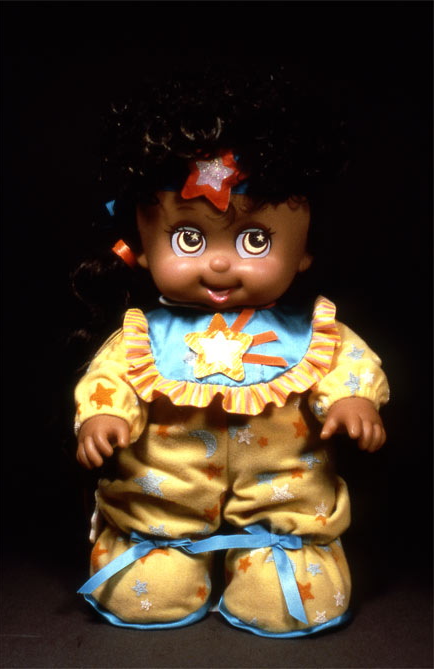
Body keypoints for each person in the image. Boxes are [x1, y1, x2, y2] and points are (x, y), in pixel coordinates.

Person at [73, 66, 389, 637]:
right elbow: (108, 378)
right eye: (188, 238)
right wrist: (102, 416)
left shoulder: (311, 334)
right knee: (149, 590)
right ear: (141, 247)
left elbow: (349, 363)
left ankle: (282, 555)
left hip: (283, 504)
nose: (219, 262)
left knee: (288, 597)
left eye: (255, 240)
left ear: (304, 250)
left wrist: (353, 401)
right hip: (161, 505)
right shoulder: (144, 337)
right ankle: (157, 552)